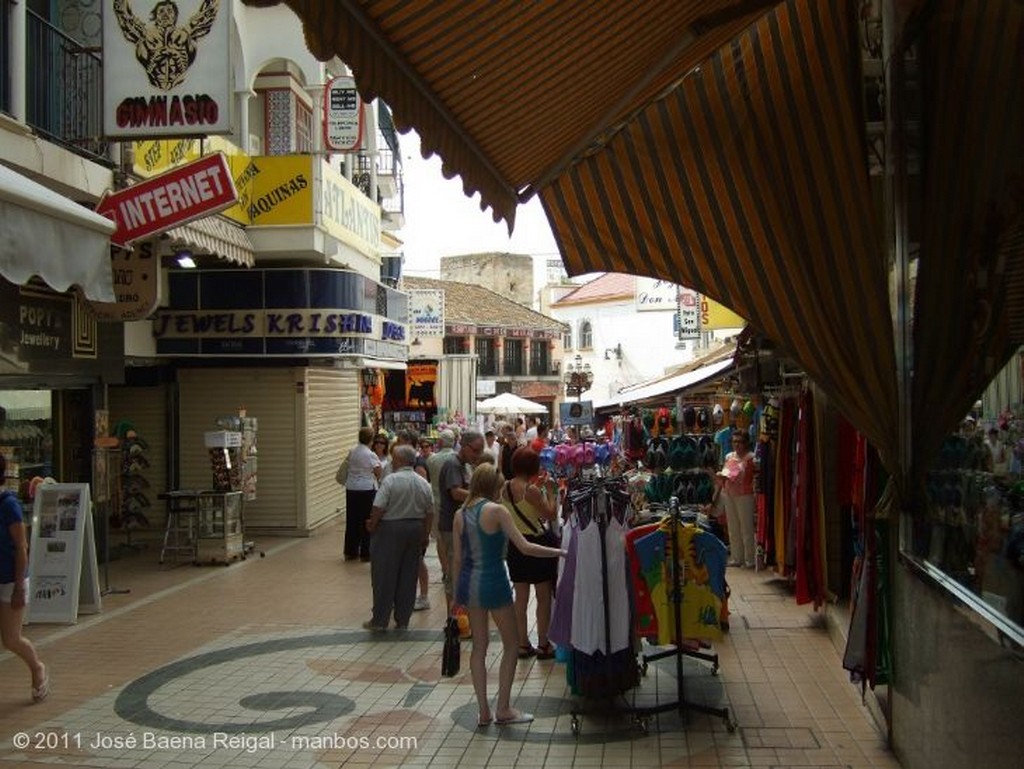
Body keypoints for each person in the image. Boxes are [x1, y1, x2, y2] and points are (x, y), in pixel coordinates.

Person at [452, 463, 564, 727]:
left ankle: (483, 711)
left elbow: (457, 559)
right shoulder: (497, 511)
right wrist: (560, 553)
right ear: (493, 486)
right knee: (512, 645)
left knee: (479, 647)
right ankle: (503, 707)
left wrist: (457, 597)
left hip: (470, 585)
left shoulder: (460, 514)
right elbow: (525, 547)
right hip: (495, 582)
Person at [364, 445, 434, 631]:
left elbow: (379, 506)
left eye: (394, 458)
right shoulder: (423, 483)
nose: (392, 462)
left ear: (401, 460)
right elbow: (429, 512)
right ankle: (403, 620)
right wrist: (425, 534)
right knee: (408, 576)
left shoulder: (390, 481)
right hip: (415, 529)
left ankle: (380, 620)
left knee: (384, 575)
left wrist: (372, 523)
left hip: (390, 529)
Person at [500, 447, 559, 659]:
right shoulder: (532, 491)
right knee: (543, 597)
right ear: (534, 467)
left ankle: (522, 644)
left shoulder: (504, 487)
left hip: (515, 545)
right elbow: (550, 515)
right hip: (536, 544)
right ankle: (544, 644)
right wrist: (552, 492)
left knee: (521, 598)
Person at [0, 454, 49, 702]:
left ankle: (37, 668)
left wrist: (19, 587)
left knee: (11, 639)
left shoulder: (9, 505)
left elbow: (21, 547)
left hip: (10, 579)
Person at [439, 430, 485, 610]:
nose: (478, 454)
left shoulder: (463, 464)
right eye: (476, 450)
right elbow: (456, 492)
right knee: (453, 571)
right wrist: (482, 497)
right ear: (464, 447)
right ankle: (453, 619)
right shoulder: (452, 464)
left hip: (461, 525)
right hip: (451, 526)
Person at [344, 427, 382, 561]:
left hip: (351, 488)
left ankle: (350, 550)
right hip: (366, 489)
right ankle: (366, 552)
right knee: (366, 519)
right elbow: (378, 471)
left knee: (352, 519)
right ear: (371, 439)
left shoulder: (352, 451)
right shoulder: (370, 454)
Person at [719, 430, 756, 568]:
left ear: (746, 443)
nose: (737, 445)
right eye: (734, 441)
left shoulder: (751, 458)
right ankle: (736, 557)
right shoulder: (729, 457)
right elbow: (725, 474)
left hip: (745, 495)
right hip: (729, 494)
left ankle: (749, 559)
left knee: (746, 527)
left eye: (740, 442)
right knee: (733, 527)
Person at [426, 430, 457, 590]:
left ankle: (445, 569)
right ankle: (452, 569)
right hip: (454, 503)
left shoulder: (432, 459)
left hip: (436, 500)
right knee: (454, 537)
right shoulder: (456, 459)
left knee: (440, 538)